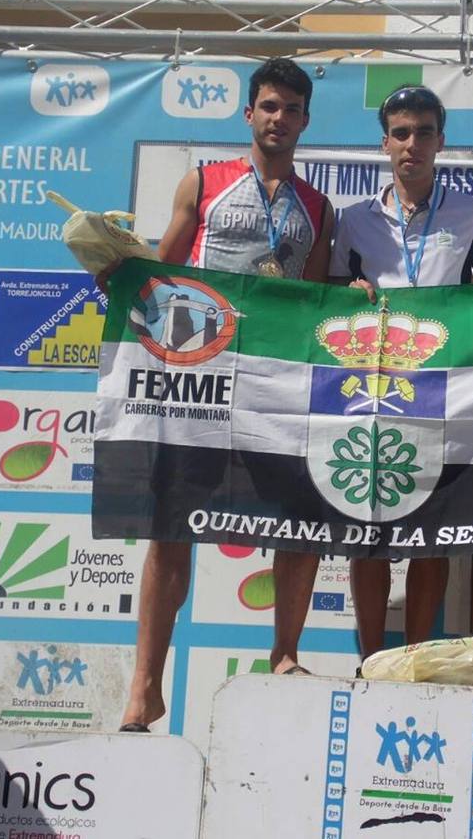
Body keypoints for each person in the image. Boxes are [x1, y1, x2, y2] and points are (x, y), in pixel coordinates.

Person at [119, 58, 333, 731]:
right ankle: (144, 686)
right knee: (169, 529)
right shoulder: (204, 181)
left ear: (304, 120)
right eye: (268, 106)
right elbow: (162, 268)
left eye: (291, 108)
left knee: (299, 521)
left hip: (276, 383)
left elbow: (314, 301)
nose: (279, 118)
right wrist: (119, 276)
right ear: (249, 114)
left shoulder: (318, 206)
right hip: (198, 379)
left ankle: (285, 653)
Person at [330, 85, 473, 660]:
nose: (413, 144)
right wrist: (345, 295)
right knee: (367, 533)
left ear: (441, 141)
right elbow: (329, 302)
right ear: (385, 143)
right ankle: (375, 660)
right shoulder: (352, 222)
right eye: (401, 133)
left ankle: (418, 656)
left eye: (424, 132)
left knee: (434, 533)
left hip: (444, 390)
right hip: (371, 389)